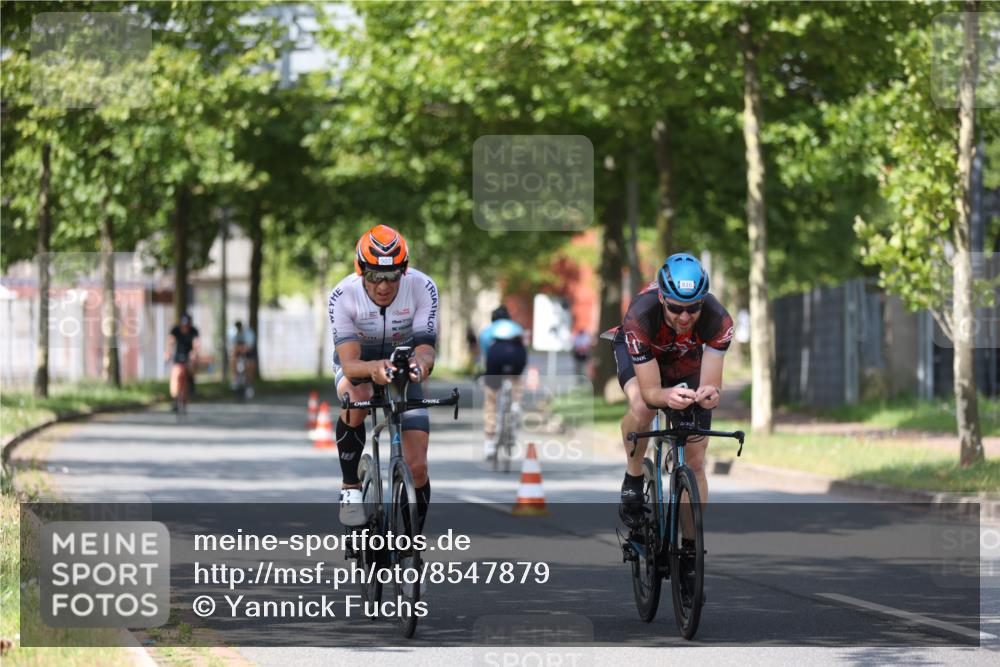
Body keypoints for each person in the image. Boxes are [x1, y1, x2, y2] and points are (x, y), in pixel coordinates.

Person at [328, 225, 438, 531]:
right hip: (359, 362)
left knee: (417, 467)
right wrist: (374, 367)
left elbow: (427, 350)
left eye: (392, 276)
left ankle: (411, 543)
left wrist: (422, 364)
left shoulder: (422, 287)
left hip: (403, 363)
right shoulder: (343, 295)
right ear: (360, 270)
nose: (383, 285)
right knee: (359, 396)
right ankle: (350, 487)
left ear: (404, 271)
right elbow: (350, 365)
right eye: (374, 275)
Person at [611, 253, 733, 527]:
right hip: (642, 353)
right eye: (676, 308)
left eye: (694, 308)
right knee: (643, 406)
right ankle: (633, 479)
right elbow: (651, 391)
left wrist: (708, 395)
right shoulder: (641, 317)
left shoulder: (718, 321)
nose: (685, 316)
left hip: (684, 357)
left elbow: (712, 386)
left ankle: (690, 549)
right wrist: (666, 396)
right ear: (663, 299)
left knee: (697, 461)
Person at [478, 305, 528, 459]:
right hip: (518, 353)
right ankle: (516, 405)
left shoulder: (488, 330)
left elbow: (486, 354)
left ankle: (489, 445)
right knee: (516, 379)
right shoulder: (517, 327)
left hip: (496, 354)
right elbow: (524, 345)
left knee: (491, 399)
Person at [164, 313, 200, 412]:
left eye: (187, 325)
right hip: (178, 357)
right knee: (176, 374)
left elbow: (196, 344)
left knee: (191, 368)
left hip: (189, 357)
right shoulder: (175, 330)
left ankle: (192, 386)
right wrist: (168, 353)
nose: (185, 327)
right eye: (183, 325)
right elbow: (170, 342)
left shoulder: (194, 331)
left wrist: (194, 353)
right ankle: (175, 398)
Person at [229, 320, 257, 391]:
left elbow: (249, 347)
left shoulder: (248, 333)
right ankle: (235, 379)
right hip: (237, 353)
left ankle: (249, 383)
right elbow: (232, 347)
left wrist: (241, 349)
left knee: (250, 364)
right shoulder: (233, 333)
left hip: (248, 353)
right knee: (233, 360)